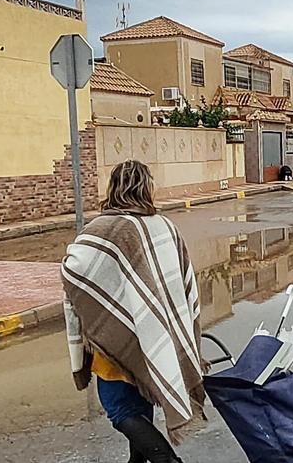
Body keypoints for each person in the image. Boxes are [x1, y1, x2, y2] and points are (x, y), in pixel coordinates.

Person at [62, 160, 205, 463]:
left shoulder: (100, 229)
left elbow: (72, 272)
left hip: (116, 344)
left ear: (113, 188)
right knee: (140, 410)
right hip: (156, 340)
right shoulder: (165, 227)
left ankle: (169, 461)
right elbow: (183, 281)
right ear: (147, 188)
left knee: (120, 410)